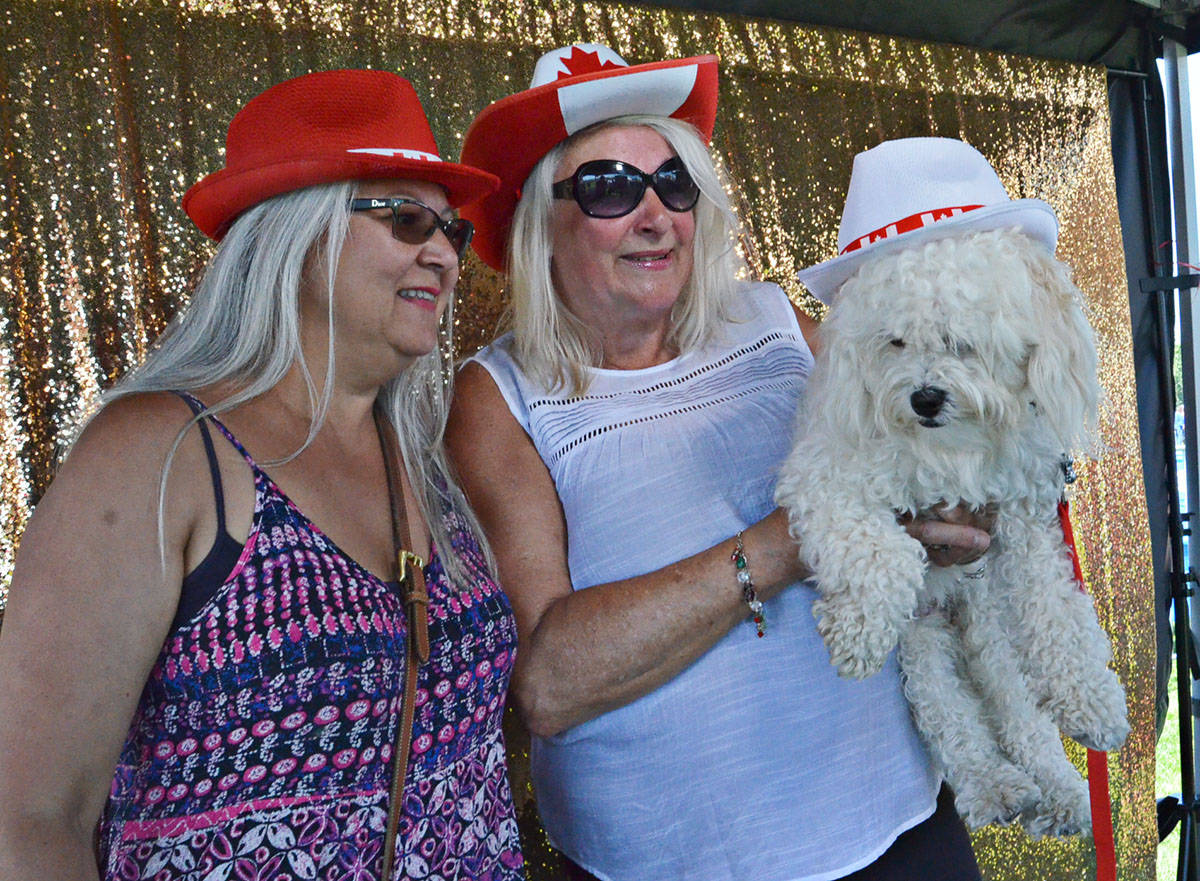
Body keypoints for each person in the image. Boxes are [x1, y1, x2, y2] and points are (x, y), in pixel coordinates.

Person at [446, 44, 990, 881]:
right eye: (609, 187)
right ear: (536, 222)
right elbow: (548, 685)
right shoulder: (500, 396)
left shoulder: (778, 324)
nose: (654, 214)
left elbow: (924, 469)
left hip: (897, 829)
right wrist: (786, 543)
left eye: (674, 182)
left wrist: (960, 515)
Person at [0, 69, 525, 881]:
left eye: (451, 231)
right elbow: (28, 817)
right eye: (406, 218)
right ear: (297, 235)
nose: (443, 254)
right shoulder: (162, 451)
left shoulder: (425, 455)